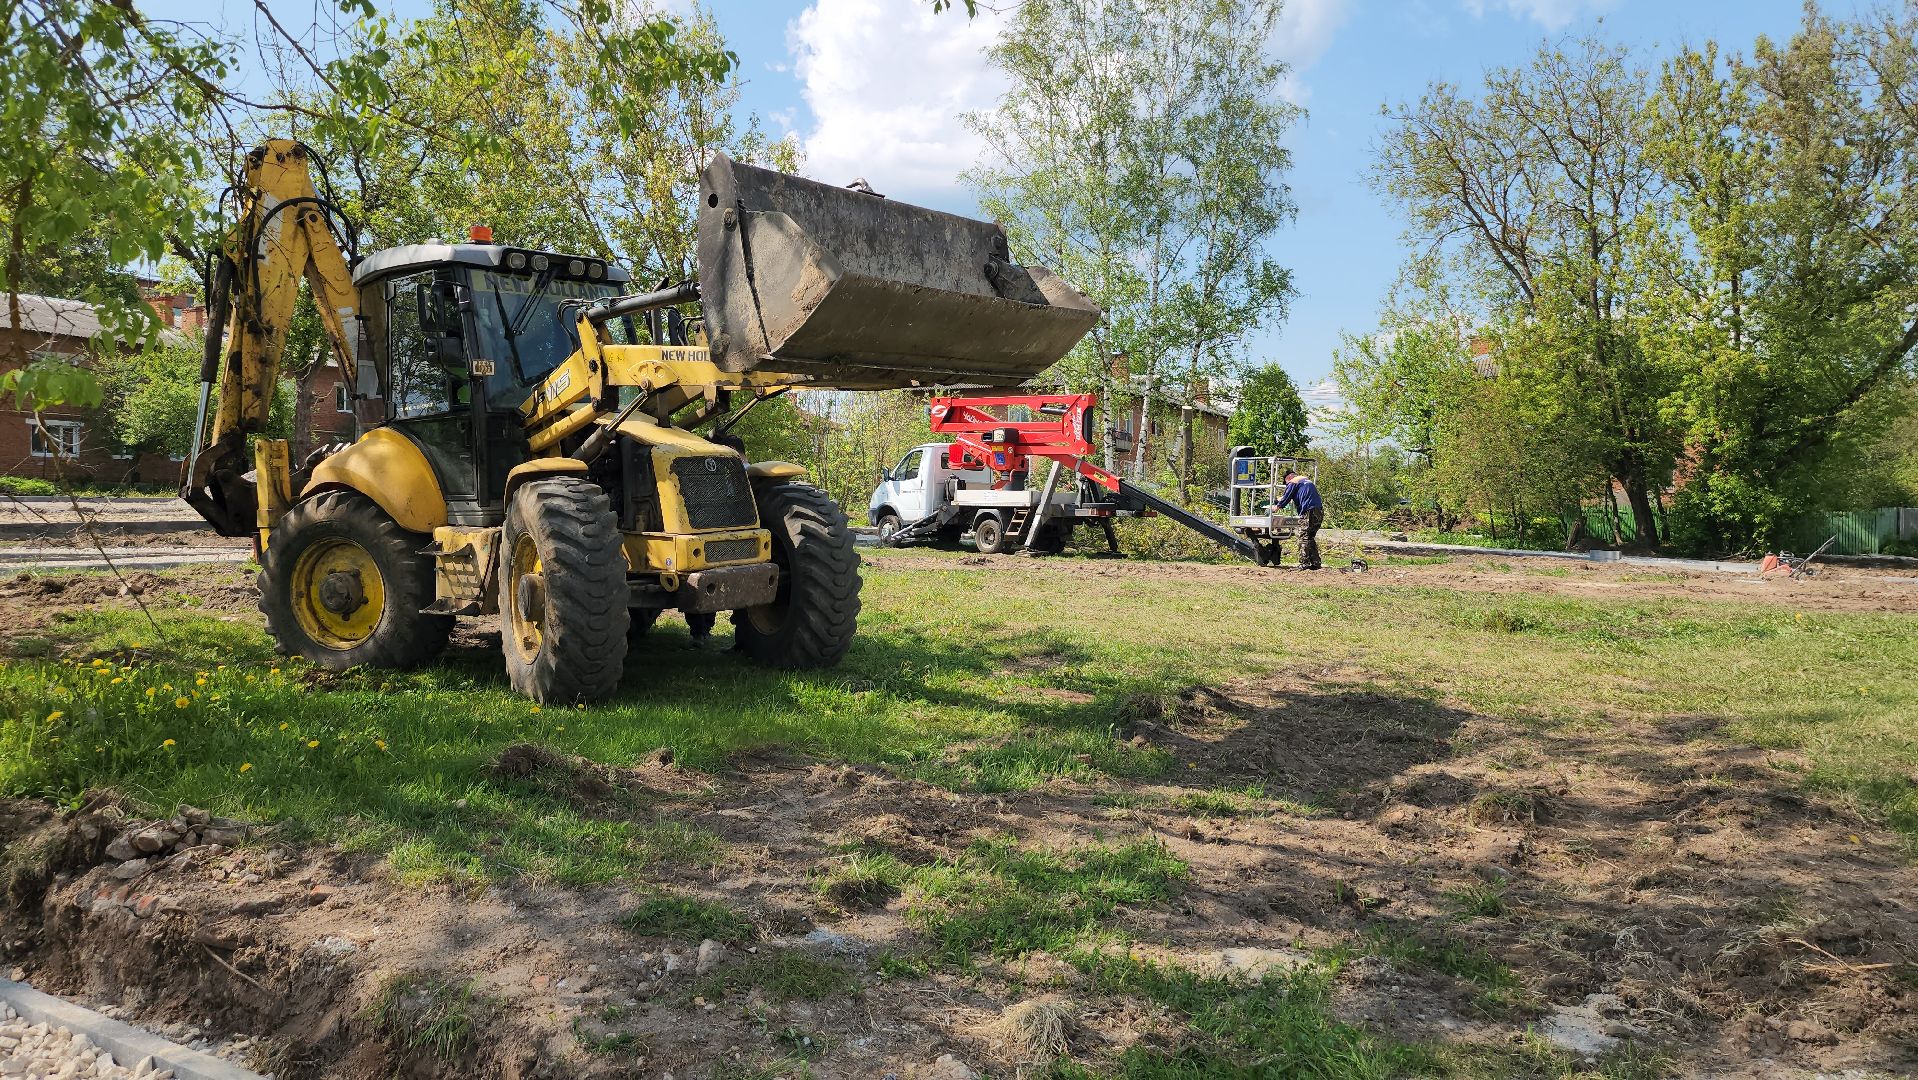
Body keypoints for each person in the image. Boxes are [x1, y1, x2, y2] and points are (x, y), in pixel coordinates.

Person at [1276, 468, 1323, 570]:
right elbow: (1287, 496)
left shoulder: (1293, 482)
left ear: (1288, 478)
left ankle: (1303, 563)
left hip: (1308, 512)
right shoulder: (1305, 481)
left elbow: (1286, 497)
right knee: (1309, 537)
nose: (1287, 485)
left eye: (1286, 483)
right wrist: (1279, 499)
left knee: (1303, 537)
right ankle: (1316, 563)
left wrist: (1276, 506)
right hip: (1318, 512)